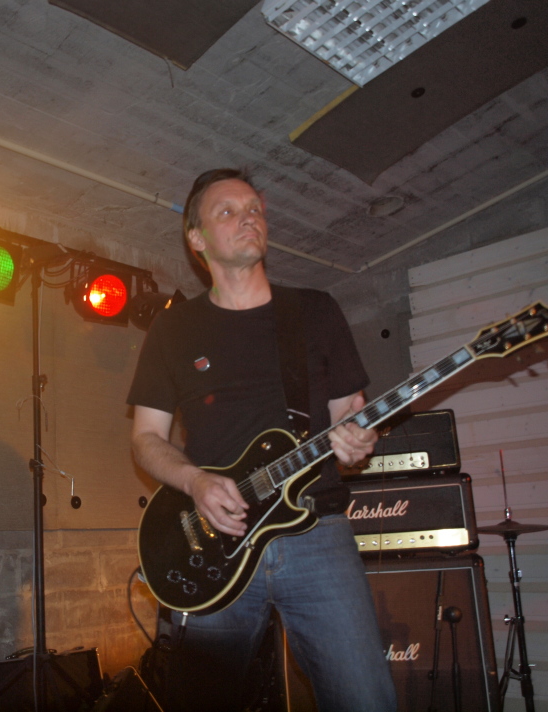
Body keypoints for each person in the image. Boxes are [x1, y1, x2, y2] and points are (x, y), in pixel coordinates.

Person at [127, 168, 397, 711]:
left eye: (254, 208)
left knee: (365, 699)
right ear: (197, 239)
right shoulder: (173, 330)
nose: (248, 218)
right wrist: (196, 482)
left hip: (316, 532)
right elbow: (146, 438)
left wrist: (357, 438)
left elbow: (350, 413)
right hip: (213, 539)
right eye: (227, 211)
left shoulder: (314, 311)